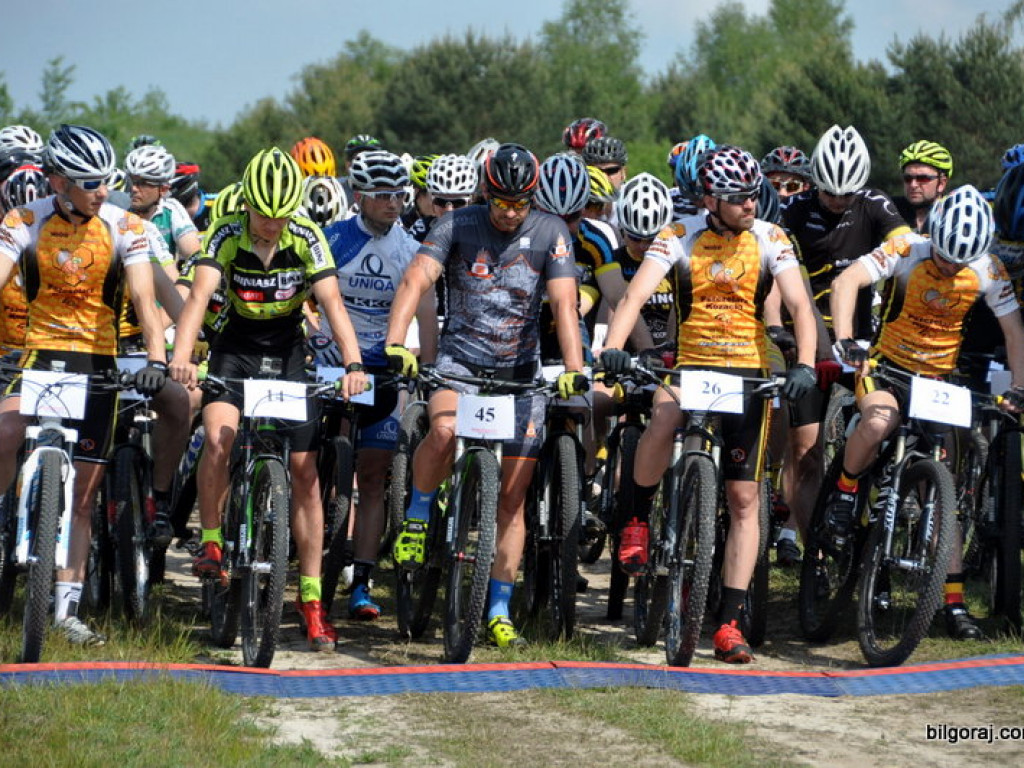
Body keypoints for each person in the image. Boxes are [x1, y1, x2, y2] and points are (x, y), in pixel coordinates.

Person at [600, 146, 819, 663]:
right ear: (710, 200)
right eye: (738, 198)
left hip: (747, 372)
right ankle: (638, 519)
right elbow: (632, 297)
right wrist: (612, 347)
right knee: (663, 414)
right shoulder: (678, 236)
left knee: (744, 501)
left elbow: (799, 305)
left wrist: (806, 364)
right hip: (692, 365)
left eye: (753, 196)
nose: (750, 205)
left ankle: (728, 623)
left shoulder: (772, 238)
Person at [385, 142, 586, 648]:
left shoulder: (551, 231)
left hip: (520, 373)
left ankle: (498, 609)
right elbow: (416, 279)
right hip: (461, 364)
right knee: (443, 431)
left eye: (520, 204)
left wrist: (575, 369)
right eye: (501, 202)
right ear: (485, 193)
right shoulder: (457, 223)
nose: (510, 213)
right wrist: (395, 341)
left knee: (512, 502)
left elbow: (564, 304)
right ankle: (418, 513)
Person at [168, 147, 368, 651]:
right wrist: (183, 357)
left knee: (305, 472)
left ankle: (312, 599)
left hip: (287, 353)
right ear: (247, 206)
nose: (271, 226)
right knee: (218, 439)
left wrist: (353, 365)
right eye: (263, 215)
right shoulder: (225, 232)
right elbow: (198, 298)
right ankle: (212, 542)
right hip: (235, 350)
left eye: (280, 216)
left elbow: (332, 302)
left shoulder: (306, 235)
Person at [829, 184, 1024, 641]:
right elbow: (846, 282)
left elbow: (1014, 331)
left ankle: (953, 602)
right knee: (878, 422)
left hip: (938, 380)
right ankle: (845, 490)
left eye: (960, 262)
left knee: (943, 492)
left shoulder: (988, 268)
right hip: (889, 367)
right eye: (944, 257)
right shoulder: (906, 248)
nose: (950, 267)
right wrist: (846, 340)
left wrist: (1019, 387)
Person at [0, 124, 166, 645]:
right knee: (5, 433)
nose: (102, 191)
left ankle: (66, 610)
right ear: (58, 181)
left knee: (84, 497)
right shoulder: (25, 220)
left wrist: (156, 358)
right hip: (40, 353)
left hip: (98, 361)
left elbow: (144, 299)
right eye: (90, 182)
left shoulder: (125, 226)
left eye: (106, 180)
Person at [314, 150, 438, 620]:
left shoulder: (411, 249)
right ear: (359, 195)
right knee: (315, 469)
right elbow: (304, 298)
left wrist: (428, 367)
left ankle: (362, 582)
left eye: (399, 195)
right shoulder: (332, 240)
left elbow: (427, 316)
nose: (393, 203)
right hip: (334, 365)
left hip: (384, 370)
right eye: (382, 195)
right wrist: (315, 336)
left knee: (372, 476)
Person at [778, 124, 911, 558]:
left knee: (878, 430)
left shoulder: (875, 204)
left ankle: (861, 508)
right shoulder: (795, 209)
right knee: (806, 452)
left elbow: (906, 248)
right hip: (807, 337)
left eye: (846, 194)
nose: (837, 201)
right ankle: (814, 551)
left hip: (860, 341)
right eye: (829, 192)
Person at [892, 140, 953, 232]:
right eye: (907, 178)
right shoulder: (890, 209)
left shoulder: (953, 216)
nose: (913, 185)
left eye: (923, 178)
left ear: (942, 183)